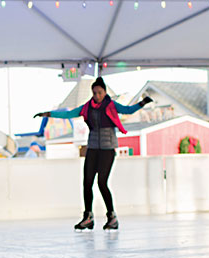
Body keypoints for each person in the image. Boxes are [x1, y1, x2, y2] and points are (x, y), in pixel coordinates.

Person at [34, 77, 151, 230]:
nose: (96, 96)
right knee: (87, 182)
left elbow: (127, 110)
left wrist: (143, 102)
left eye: (99, 93)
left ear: (104, 92)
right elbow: (69, 115)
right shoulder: (87, 107)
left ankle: (112, 217)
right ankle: (88, 216)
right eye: (94, 93)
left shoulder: (111, 105)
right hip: (93, 148)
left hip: (108, 149)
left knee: (102, 182)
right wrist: (47, 114)